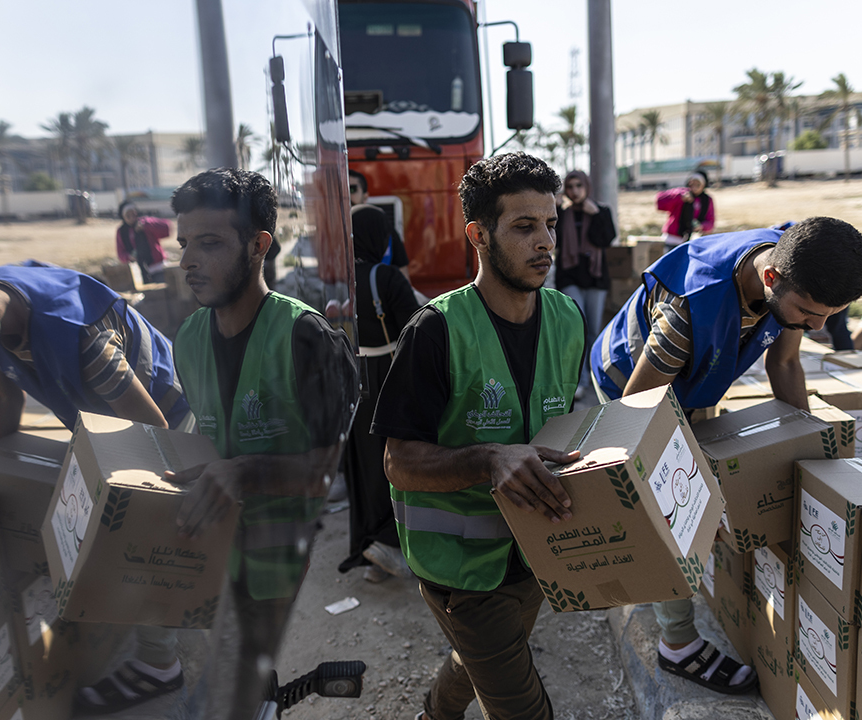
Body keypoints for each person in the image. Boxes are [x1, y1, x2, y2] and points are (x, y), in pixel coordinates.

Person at [0, 258, 192, 714]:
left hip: (165, 413)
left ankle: (160, 666)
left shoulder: (79, 336)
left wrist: (113, 508)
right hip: (102, 413)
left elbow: (150, 429)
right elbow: (2, 395)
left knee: (137, 539)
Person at [591, 216, 862, 695]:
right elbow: (636, 419)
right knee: (670, 507)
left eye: (832, 315)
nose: (818, 327)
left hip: (691, 381)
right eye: (809, 313)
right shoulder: (689, 311)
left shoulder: (792, 265)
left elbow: (783, 362)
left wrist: (807, 449)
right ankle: (676, 644)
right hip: (632, 387)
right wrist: (688, 486)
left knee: (698, 497)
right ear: (770, 280)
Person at [373, 152, 586, 720]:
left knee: (481, 660)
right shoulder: (435, 329)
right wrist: (490, 458)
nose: (545, 242)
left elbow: (562, 422)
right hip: (461, 568)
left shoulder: (567, 318)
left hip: (536, 552)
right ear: (479, 234)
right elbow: (398, 462)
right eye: (523, 227)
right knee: (520, 704)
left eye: (550, 223)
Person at [162, 168, 356, 718]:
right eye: (184, 245)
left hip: (276, 558)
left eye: (209, 243)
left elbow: (329, 469)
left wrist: (246, 472)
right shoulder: (190, 339)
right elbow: (206, 431)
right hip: (210, 555)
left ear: (258, 244)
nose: (188, 262)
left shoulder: (308, 337)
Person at [339, 204, 420, 583]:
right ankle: (391, 544)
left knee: (363, 466)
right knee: (396, 462)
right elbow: (414, 328)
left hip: (351, 380)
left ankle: (371, 550)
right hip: (387, 374)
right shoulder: (385, 277)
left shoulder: (338, 280)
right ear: (379, 237)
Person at [554, 170, 617, 397]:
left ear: (586, 186)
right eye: (570, 186)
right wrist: (554, 210)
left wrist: (597, 215)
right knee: (577, 326)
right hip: (570, 276)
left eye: (579, 185)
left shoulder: (601, 210)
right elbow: (553, 240)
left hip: (595, 278)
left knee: (593, 331)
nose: (574, 190)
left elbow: (606, 239)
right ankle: (580, 380)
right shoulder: (562, 214)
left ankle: (594, 376)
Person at [349, 168, 411, 282]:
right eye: (341, 191)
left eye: (352, 189)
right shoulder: (331, 231)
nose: (346, 195)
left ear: (365, 196)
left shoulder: (383, 227)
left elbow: (404, 275)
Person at [116, 200, 171, 284]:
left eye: (133, 214)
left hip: (158, 267)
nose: (131, 218)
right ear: (123, 217)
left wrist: (146, 226)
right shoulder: (121, 231)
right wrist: (129, 257)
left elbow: (166, 228)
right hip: (138, 272)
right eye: (128, 216)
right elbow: (121, 253)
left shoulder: (145, 222)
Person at [657, 171, 714, 251]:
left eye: (698, 184)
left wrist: (701, 226)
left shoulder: (707, 200)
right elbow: (659, 201)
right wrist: (679, 197)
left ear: (703, 185)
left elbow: (711, 222)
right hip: (673, 239)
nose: (695, 186)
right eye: (692, 183)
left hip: (693, 240)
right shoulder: (681, 193)